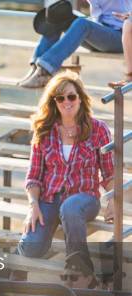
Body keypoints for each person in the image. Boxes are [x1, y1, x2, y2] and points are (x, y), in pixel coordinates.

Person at [18, 71, 114, 260]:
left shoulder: (98, 129)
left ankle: (78, 265)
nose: (66, 101)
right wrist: (33, 205)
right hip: (50, 198)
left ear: (80, 98)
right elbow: (34, 176)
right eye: (60, 98)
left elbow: (109, 172)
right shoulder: (44, 131)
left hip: (84, 198)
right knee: (31, 248)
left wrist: (113, 201)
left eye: (71, 96)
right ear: (54, 102)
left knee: (70, 208)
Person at [20, 0, 130, 88]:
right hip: (99, 34)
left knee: (83, 24)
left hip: (120, 37)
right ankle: (37, 67)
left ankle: (45, 70)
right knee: (59, 15)